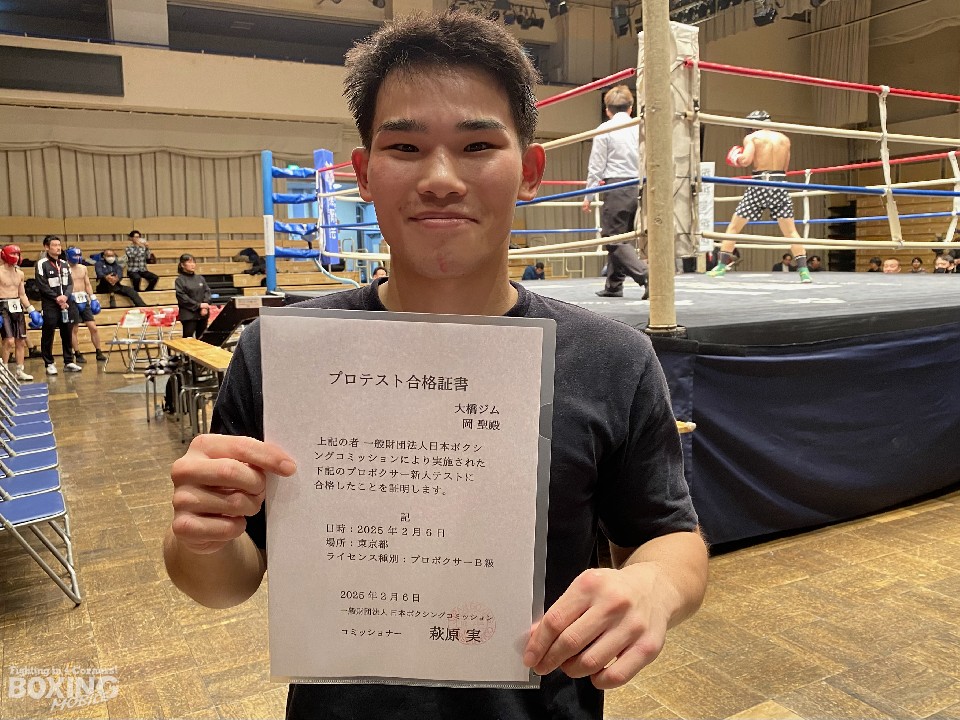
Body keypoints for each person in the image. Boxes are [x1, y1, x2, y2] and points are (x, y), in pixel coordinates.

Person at [163, 13, 707, 720]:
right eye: (406, 146)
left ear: (530, 171)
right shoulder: (286, 354)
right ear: (364, 174)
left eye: (478, 144)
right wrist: (201, 535)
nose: (441, 179)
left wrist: (654, 587)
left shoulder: (613, 359)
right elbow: (226, 584)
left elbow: (669, 536)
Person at [708, 110, 812, 283]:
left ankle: (720, 268)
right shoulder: (784, 139)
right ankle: (804, 272)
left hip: (759, 183)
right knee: (791, 231)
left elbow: (745, 160)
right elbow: (785, 168)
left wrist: (736, 157)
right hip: (780, 183)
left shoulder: (753, 138)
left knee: (734, 227)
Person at [583, 85, 649, 300]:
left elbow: (596, 166)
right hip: (640, 185)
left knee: (613, 238)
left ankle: (646, 275)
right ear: (630, 108)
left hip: (617, 186)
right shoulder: (640, 127)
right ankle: (614, 285)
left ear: (607, 110)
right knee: (622, 236)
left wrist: (589, 195)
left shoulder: (605, 129)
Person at [35, 235, 81, 375]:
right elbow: (42, 285)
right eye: (54, 245)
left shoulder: (65, 264)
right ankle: (49, 363)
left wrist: (65, 297)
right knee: (48, 333)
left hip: (66, 303)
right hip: (50, 304)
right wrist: (57, 298)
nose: (58, 248)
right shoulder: (42, 264)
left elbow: (70, 283)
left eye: (59, 245)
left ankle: (69, 361)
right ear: (47, 247)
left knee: (67, 332)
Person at [0, 245, 41, 381]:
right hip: (3, 307)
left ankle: (19, 371)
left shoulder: (20, 273)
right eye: (13, 254)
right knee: (9, 341)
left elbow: (22, 294)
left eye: (18, 254)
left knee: (21, 341)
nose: (16, 257)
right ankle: (4, 371)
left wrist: (31, 310)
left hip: (17, 307)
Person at [66, 247, 107, 363]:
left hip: (83, 298)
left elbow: (87, 284)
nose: (77, 258)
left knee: (93, 327)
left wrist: (93, 297)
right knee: (74, 329)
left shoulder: (83, 268)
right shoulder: (64, 269)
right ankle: (77, 353)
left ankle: (99, 351)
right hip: (71, 299)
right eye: (75, 255)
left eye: (79, 255)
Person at [174, 253, 211, 339]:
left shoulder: (200, 278)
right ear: (182, 265)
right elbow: (182, 297)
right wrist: (198, 305)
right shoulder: (180, 280)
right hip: (189, 315)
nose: (192, 264)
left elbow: (207, 291)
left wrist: (205, 306)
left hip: (202, 313)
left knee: (202, 339)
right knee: (188, 338)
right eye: (189, 262)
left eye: (194, 262)